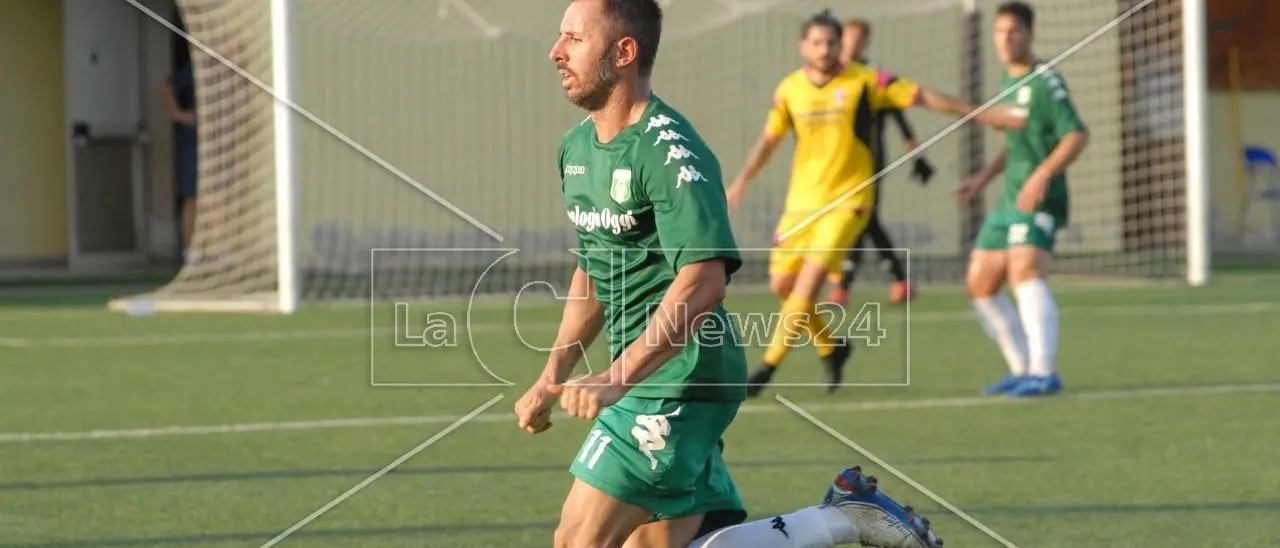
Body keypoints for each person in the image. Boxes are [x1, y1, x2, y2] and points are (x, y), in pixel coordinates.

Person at [514, 1, 943, 547]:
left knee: (577, 543)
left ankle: (842, 517)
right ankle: (841, 517)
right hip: (650, 375)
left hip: (679, 376)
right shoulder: (576, 149)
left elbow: (703, 282)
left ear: (625, 52)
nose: (556, 52)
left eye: (574, 39)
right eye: (560, 37)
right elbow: (598, 266)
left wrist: (615, 377)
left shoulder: (669, 151)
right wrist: (553, 376)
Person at [726, 10, 1026, 397]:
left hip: (850, 201)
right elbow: (769, 140)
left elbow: (925, 97)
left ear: (841, 45)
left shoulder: (865, 81)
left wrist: (985, 115)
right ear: (803, 47)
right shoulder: (789, 90)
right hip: (801, 204)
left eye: (831, 42)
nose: (825, 50)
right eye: (816, 43)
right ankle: (832, 347)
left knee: (809, 283)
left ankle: (765, 370)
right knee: (783, 286)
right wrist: (741, 181)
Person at [955, 1, 1088, 398]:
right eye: (999, 32)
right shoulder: (1007, 81)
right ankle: (1021, 369)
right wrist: (982, 178)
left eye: (1013, 31)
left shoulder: (1045, 80)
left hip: (1039, 197)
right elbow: (1015, 146)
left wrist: (1043, 175)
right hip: (1009, 197)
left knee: (1024, 269)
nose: (1005, 39)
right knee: (980, 283)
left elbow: (1076, 134)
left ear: (1030, 34)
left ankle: (1044, 372)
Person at [827, 18, 934, 307]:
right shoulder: (830, 77)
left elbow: (899, 116)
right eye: (848, 38)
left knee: (862, 218)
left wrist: (918, 154)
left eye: (859, 39)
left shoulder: (874, 76)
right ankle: (897, 280)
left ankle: (845, 287)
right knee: (858, 220)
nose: (853, 44)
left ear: (866, 42)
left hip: (871, 161)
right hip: (838, 163)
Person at [163, 55, 198, 265]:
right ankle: (191, 250)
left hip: (220, 138)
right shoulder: (192, 70)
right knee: (192, 197)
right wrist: (178, 114)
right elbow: (168, 85)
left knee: (219, 198)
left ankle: (219, 249)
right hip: (194, 141)